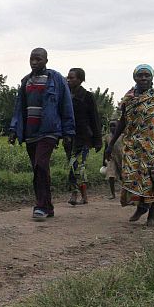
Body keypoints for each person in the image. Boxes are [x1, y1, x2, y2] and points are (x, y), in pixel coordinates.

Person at [7, 48, 75, 221]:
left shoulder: (57, 79)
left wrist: (68, 132)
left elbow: (66, 105)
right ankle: (48, 206)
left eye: (38, 59)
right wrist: (14, 129)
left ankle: (41, 206)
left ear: (46, 60)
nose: (34, 62)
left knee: (41, 166)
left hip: (49, 131)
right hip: (30, 132)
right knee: (38, 169)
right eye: (32, 59)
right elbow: (18, 108)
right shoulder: (26, 81)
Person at [105, 64, 154, 226]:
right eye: (140, 75)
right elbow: (123, 121)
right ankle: (141, 205)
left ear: (152, 77)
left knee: (152, 178)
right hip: (133, 145)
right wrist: (111, 144)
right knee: (131, 176)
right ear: (134, 77)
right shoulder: (129, 98)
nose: (143, 78)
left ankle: (152, 214)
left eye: (147, 76)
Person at [63, 68, 102, 206]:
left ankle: (77, 193)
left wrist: (98, 141)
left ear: (80, 80)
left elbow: (95, 119)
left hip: (84, 137)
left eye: (72, 78)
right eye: (68, 77)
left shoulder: (87, 96)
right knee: (72, 165)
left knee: (79, 167)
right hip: (69, 138)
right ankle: (81, 195)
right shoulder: (65, 95)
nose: (69, 80)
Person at [103, 119, 120, 199]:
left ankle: (127, 194)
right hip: (111, 158)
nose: (112, 128)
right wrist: (104, 160)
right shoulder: (107, 137)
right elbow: (106, 149)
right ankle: (113, 194)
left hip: (121, 158)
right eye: (110, 126)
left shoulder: (122, 136)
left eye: (114, 126)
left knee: (124, 176)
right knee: (111, 175)